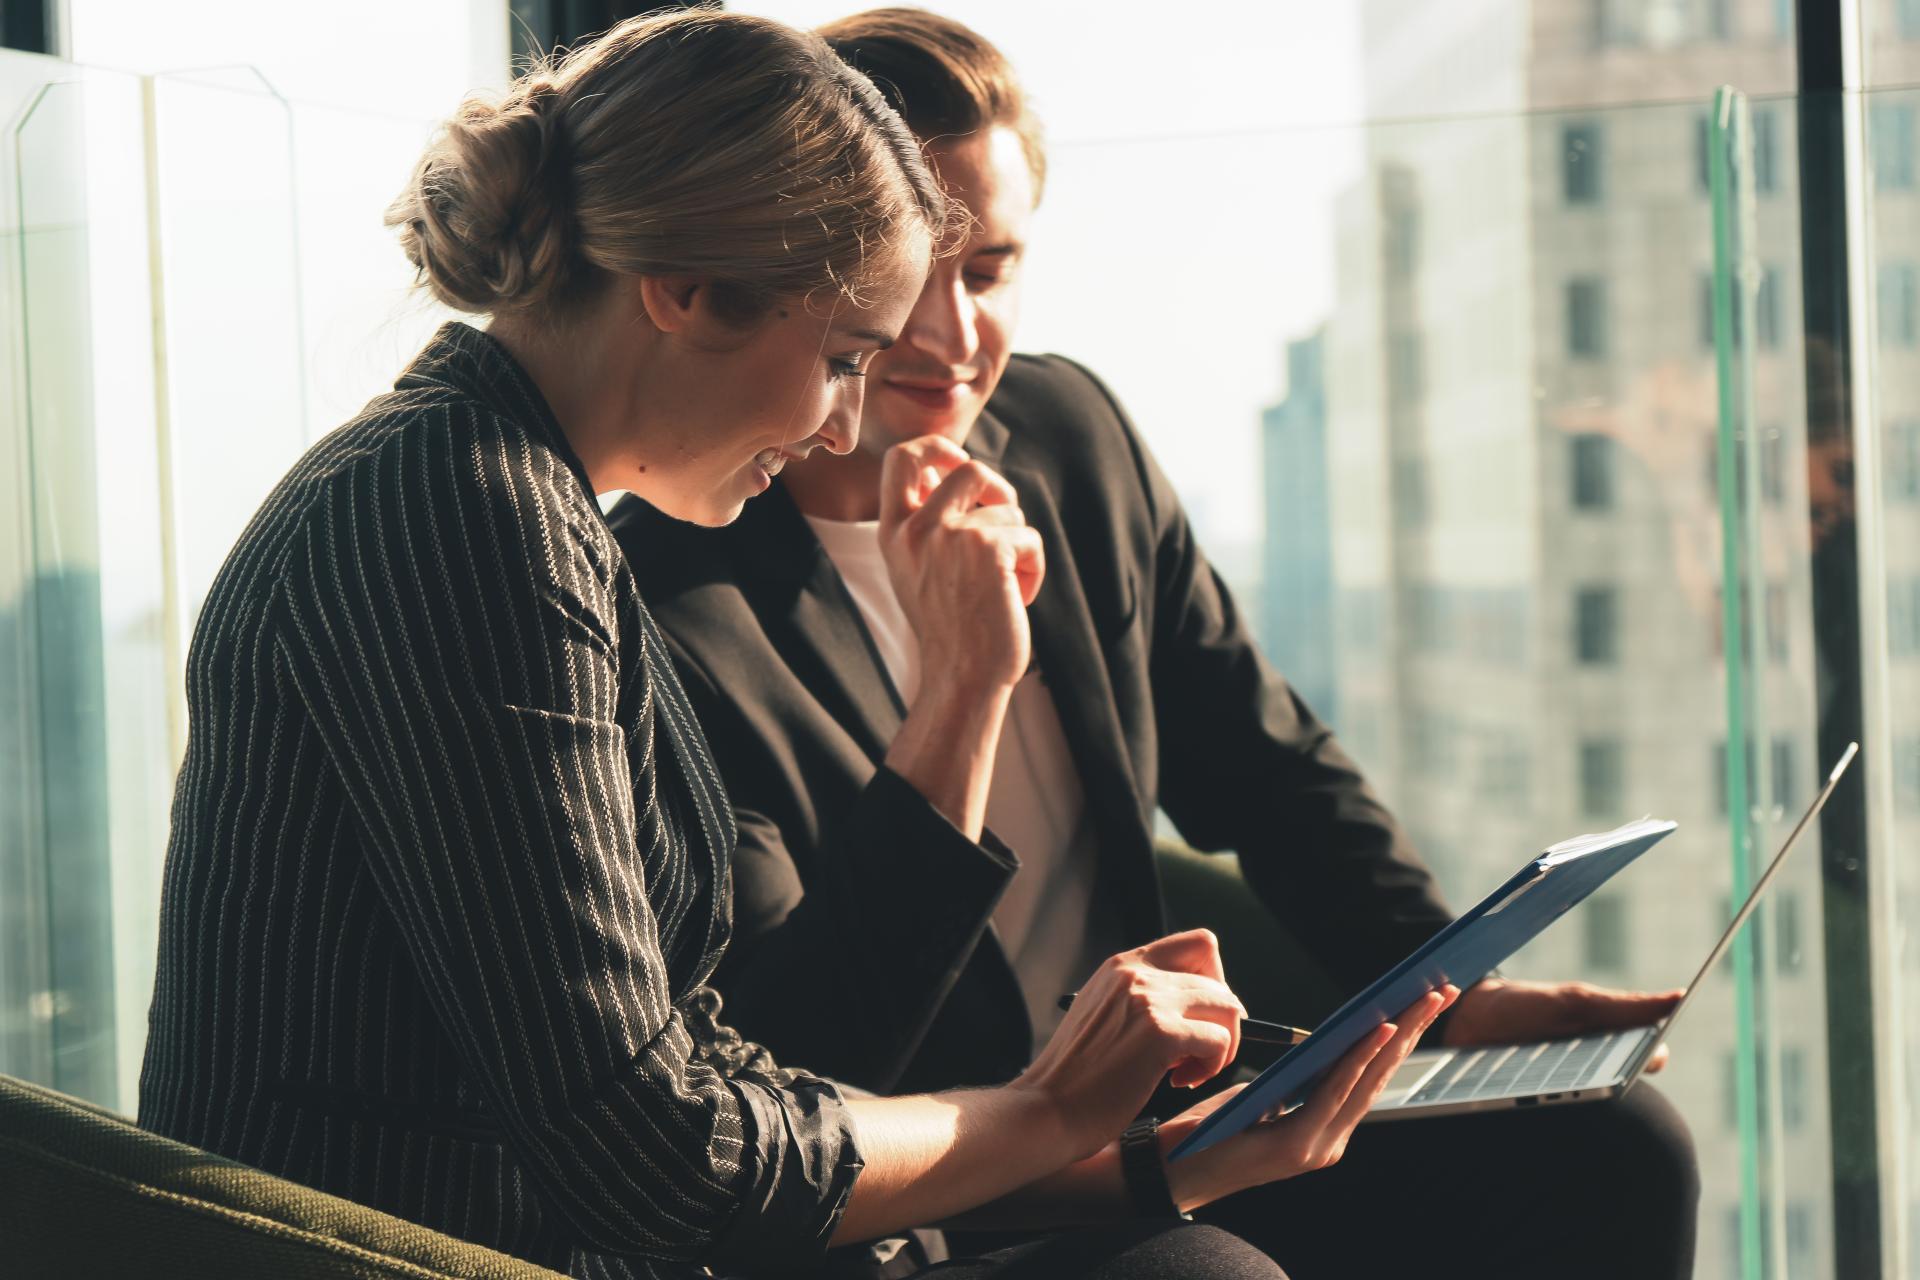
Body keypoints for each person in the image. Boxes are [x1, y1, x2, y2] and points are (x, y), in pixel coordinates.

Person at [135, 12, 1449, 1280]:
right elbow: (661, 1157)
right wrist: (1053, 1116)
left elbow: (694, 1074)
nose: (838, 429)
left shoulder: (505, 503)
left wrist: (1126, 1160)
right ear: (687, 294)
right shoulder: (471, 525)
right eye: (842, 356)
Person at [606, 9, 1700, 1278]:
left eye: (992, 269)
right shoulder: (664, 602)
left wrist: (1445, 987)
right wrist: (961, 691)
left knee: (1615, 1141)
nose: (956, 338)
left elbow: (1264, 763)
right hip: (925, 1195)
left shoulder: (1070, 435)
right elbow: (815, 1049)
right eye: (913, 273)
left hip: (1169, 1118)